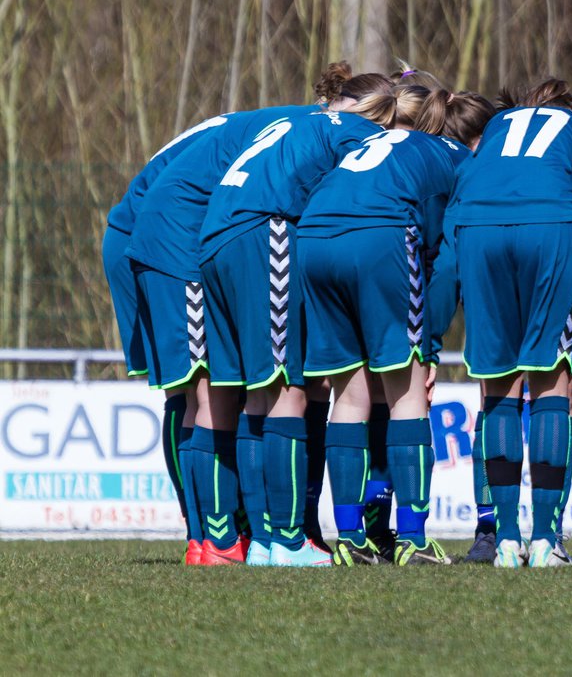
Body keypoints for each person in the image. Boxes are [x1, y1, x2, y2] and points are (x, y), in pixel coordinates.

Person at [126, 63, 391, 564]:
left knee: (224, 391)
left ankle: (217, 540)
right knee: (266, 387)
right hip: (199, 234)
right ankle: (273, 539)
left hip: (200, 232)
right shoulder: (354, 133)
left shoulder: (287, 123)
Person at [197, 89, 398, 567]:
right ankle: (288, 541)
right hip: (264, 232)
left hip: (214, 239)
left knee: (256, 394)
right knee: (290, 389)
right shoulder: (364, 134)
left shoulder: (295, 124)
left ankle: (266, 541)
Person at [298, 85, 493, 566]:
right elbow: (447, 264)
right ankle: (412, 538)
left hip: (313, 237)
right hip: (380, 234)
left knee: (349, 393)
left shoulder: (372, 143)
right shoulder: (455, 156)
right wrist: (428, 346)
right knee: (407, 392)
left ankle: (349, 537)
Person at [443, 78, 572, 568]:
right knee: (551, 384)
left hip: (478, 229)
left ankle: (504, 541)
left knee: (497, 387)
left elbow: (462, 188)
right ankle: (544, 540)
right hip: (550, 225)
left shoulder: (498, 124)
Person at [104, 112, 237, 560]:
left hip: (134, 234)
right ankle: (211, 534)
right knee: (202, 387)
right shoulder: (294, 132)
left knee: (182, 393)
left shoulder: (240, 125)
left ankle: (200, 534)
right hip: (159, 241)